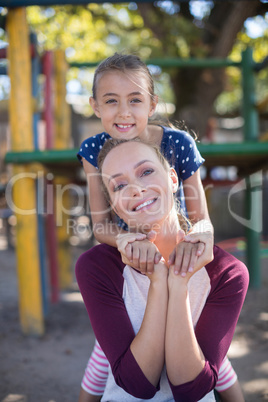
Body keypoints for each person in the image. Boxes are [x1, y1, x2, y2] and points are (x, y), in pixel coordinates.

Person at [77, 53, 245, 402]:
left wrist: (196, 248)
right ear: (95, 106)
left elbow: (202, 220)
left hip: (177, 244)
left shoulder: (178, 144)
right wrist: (127, 240)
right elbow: (100, 225)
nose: (124, 112)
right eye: (111, 101)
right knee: (108, 355)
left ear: (152, 103)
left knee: (214, 361)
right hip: (131, 253)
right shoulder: (94, 150)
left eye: (135, 100)